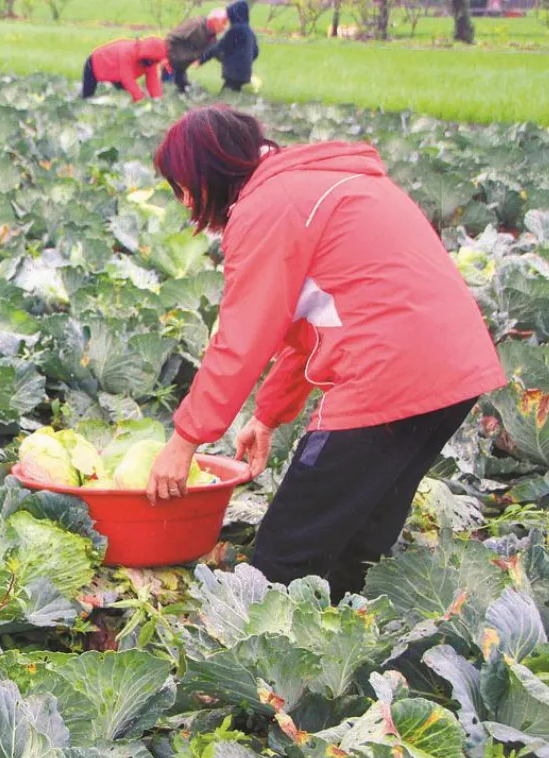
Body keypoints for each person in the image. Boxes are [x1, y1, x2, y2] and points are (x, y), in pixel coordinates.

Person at [147, 106, 507, 600]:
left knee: (284, 553)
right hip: (455, 371)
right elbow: (317, 317)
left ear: (207, 168)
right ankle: (343, 651)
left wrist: (183, 442)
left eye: (181, 185)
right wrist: (270, 414)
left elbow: (240, 339)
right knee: (361, 535)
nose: (185, 200)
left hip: (389, 373)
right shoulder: (320, 182)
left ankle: (261, 661)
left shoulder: (268, 207)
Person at [81, 37, 168, 103]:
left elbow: (153, 81)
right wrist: (140, 100)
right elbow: (127, 79)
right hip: (96, 63)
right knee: (87, 97)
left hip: (117, 73)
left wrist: (157, 100)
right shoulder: (127, 53)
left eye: (154, 62)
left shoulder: (150, 61)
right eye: (149, 61)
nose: (150, 64)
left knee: (125, 97)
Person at [166, 8, 228, 95]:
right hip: (170, 64)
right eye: (223, 22)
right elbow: (172, 37)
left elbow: (219, 55)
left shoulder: (212, 39)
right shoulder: (196, 25)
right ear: (214, 20)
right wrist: (168, 58)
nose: (224, 27)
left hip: (181, 68)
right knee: (167, 88)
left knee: (183, 91)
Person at [200, 0, 258, 93]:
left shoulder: (235, 29)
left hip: (234, 72)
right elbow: (256, 52)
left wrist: (202, 59)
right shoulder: (250, 32)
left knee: (226, 92)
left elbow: (219, 46)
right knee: (235, 91)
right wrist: (246, 61)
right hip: (245, 72)